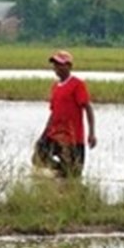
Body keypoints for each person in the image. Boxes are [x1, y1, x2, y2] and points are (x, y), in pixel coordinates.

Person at [34, 50, 97, 178]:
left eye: (60, 64)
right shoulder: (55, 87)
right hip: (54, 135)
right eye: (55, 64)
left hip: (73, 139)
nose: (56, 67)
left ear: (68, 66)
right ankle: (61, 172)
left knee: (74, 176)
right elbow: (53, 113)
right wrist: (44, 134)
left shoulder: (77, 84)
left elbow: (88, 108)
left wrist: (91, 133)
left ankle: (65, 174)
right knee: (38, 156)